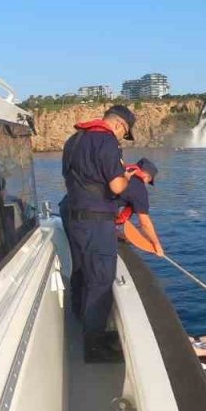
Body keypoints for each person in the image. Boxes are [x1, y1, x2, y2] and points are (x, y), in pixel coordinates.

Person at [60, 105, 138, 362]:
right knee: (102, 278)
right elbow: (116, 185)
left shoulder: (74, 139)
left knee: (81, 269)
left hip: (73, 216)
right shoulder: (106, 142)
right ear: (119, 126)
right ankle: (94, 345)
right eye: (124, 133)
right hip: (96, 221)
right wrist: (126, 177)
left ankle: (78, 317)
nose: (121, 138)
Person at [115, 157, 164, 257]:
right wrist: (157, 245)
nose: (146, 183)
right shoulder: (139, 189)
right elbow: (145, 222)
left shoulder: (118, 172)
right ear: (147, 176)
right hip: (95, 223)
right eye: (149, 180)